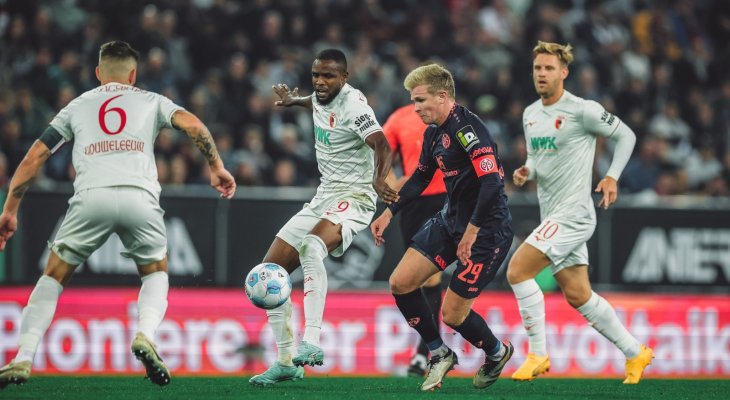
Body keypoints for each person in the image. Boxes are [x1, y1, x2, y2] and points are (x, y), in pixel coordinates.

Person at [0, 41, 236, 389]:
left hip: (90, 198)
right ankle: (145, 334)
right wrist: (216, 167)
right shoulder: (152, 100)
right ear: (133, 74)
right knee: (156, 272)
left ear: (98, 73)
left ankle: (22, 356)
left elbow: (34, 158)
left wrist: (9, 210)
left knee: (52, 277)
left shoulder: (77, 106)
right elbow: (195, 126)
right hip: (140, 197)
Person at [248, 49, 397, 386]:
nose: (320, 81)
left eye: (329, 75)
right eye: (316, 75)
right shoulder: (318, 97)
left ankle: (312, 339)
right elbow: (314, 103)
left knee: (312, 247)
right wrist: (293, 100)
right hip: (324, 196)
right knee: (268, 272)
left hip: (355, 196)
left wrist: (378, 179)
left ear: (344, 78)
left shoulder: (354, 105)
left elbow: (382, 145)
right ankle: (286, 362)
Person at [508, 41, 653, 384]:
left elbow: (627, 135)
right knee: (577, 294)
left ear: (564, 72)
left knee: (517, 271)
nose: (541, 74)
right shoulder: (530, 114)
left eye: (548, 68)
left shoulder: (583, 110)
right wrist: (527, 170)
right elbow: (536, 158)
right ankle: (636, 353)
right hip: (552, 214)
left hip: (574, 213)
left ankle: (538, 353)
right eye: (537, 68)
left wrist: (612, 176)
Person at [371, 63, 514, 392]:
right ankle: (438, 353)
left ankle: (496, 352)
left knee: (452, 314)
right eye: (413, 101)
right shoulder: (434, 132)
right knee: (401, 282)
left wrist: (473, 231)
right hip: (451, 221)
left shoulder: (469, 130)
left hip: (487, 231)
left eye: (420, 100)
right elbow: (420, 177)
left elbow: (492, 184)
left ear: (443, 96)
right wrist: (390, 212)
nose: (416, 107)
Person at [381, 104, 447, 377]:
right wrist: (394, 184)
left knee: (430, 276)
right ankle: (431, 351)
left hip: (445, 199)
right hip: (413, 203)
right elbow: (380, 155)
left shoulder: (449, 115)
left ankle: (425, 353)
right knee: (418, 279)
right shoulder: (399, 118)